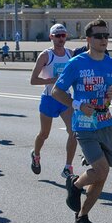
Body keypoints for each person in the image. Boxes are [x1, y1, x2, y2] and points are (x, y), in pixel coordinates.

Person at [52, 19, 112, 223]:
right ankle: (75, 184)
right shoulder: (76, 63)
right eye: (99, 36)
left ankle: (82, 216)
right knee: (101, 169)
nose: (104, 39)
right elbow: (57, 91)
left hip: (106, 123)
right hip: (84, 125)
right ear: (88, 39)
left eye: (106, 35)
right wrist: (77, 105)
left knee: (102, 174)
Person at [30, 24, 77, 179]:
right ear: (51, 37)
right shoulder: (46, 56)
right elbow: (33, 80)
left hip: (64, 99)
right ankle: (36, 154)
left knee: (74, 131)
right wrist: (53, 80)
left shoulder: (71, 54)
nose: (60, 39)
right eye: (57, 36)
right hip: (49, 99)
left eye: (63, 35)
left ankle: (68, 167)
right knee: (44, 134)